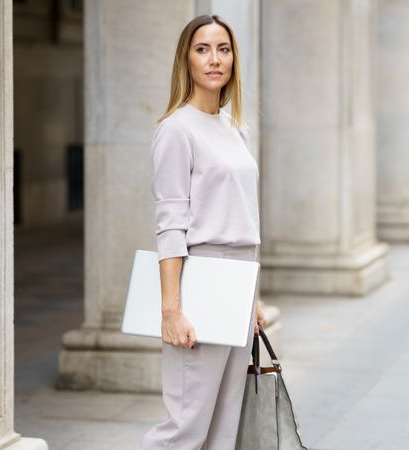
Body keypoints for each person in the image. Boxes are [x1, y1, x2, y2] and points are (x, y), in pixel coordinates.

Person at [141, 14, 266, 450]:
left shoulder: (236, 129)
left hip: (239, 277)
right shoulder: (176, 130)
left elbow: (245, 217)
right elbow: (171, 224)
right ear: (186, 59)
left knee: (224, 423)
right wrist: (170, 309)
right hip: (202, 275)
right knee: (186, 424)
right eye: (203, 49)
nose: (215, 59)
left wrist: (254, 296)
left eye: (224, 49)